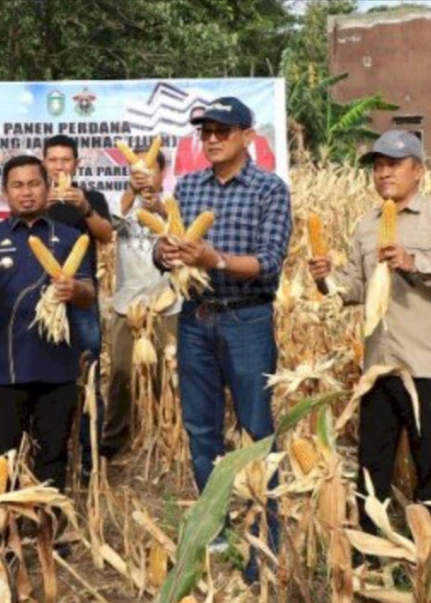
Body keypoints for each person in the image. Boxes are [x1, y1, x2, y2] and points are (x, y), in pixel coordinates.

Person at [309, 130, 431, 538]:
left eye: (394, 164)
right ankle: (370, 550)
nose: (384, 173)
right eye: (378, 166)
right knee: (373, 465)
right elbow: (354, 286)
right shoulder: (367, 225)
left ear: (419, 170)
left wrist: (413, 262)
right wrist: (325, 280)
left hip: (427, 368)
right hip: (378, 367)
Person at [154, 97, 291, 579]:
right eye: (205, 131)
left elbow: (270, 262)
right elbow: (164, 245)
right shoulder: (188, 187)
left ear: (246, 136)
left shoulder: (269, 189)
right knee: (202, 431)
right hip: (195, 318)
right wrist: (165, 254)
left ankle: (264, 540)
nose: (212, 139)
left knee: (257, 431)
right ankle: (214, 531)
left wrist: (213, 260)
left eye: (222, 131)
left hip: (246, 321)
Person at [0, 155, 95, 494]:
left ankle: (51, 535)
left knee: (53, 458)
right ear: (5, 192)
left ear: (47, 189)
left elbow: (89, 294)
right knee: (4, 459)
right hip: (3, 368)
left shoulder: (72, 237)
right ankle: (8, 538)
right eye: (17, 185)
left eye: (34, 184)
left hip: (57, 366)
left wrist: (74, 290)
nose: (26, 192)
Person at [103, 148, 180, 457]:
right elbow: (109, 228)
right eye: (137, 170)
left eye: (150, 169)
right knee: (121, 374)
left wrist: (160, 209)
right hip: (127, 304)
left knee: (167, 373)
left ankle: (168, 437)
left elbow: (182, 232)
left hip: (167, 302)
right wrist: (132, 193)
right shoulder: (121, 204)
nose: (144, 175)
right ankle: (114, 438)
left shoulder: (173, 203)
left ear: (162, 173)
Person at [41, 134, 112, 465]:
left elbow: (106, 235)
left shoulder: (91, 197)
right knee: (43, 376)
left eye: (65, 160)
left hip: (82, 299)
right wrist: (43, 205)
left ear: (77, 164)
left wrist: (84, 207)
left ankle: (89, 457)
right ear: (44, 163)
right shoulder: (35, 196)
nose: (59, 166)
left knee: (88, 375)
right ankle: (49, 453)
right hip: (43, 301)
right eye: (53, 160)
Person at [174, 104, 277, 178]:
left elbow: (271, 164)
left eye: (222, 131)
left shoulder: (271, 188)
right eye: (207, 130)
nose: (213, 139)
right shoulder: (186, 186)